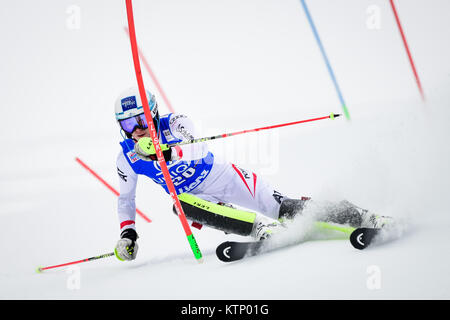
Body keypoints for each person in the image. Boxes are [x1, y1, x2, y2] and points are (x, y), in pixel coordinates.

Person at [113, 87, 392, 261]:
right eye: (128, 123)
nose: (136, 128)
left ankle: (364, 216)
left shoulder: (174, 123)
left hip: (224, 177)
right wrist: (129, 233)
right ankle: (260, 227)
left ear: (153, 113)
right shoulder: (126, 156)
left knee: (285, 208)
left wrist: (166, 152)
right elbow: (126, 198)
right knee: (180, 205)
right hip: (198, 198)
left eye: (141, 119)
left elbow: (197, 148)